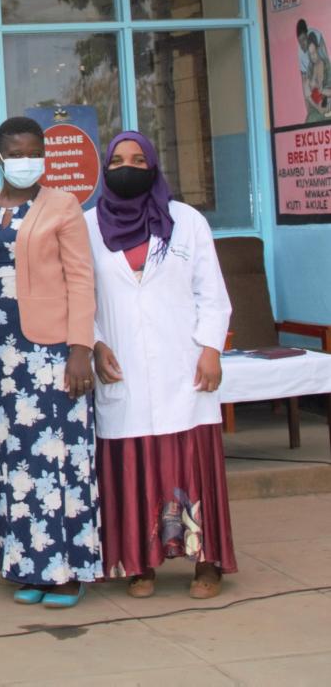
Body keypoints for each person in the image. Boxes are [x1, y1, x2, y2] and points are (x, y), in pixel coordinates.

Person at [0, 117, 102, 608]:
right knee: (12, 463)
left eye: (33, 152)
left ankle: (66, 571)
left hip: (54, 355)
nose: (26, 161)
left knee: (58, 459)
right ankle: (27, 566)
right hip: (2, 357)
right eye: (16, 154)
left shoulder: (63, 206)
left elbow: (82, 280)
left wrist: (81, 348)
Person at [87, 131, 237, 600]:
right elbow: (79, 297)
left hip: (183, 366)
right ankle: (139, 563)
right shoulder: (88, 225)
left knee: (190, 460)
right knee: (131, 466)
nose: (126, 167)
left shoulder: (185, 221)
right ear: (104, 170)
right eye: (117, 160)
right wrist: (92, 343)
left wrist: (210, 348)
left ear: (153, 166)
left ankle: (206, 563)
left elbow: (210, 293)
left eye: (137, 159)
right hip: (120, 365)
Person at [298, 19, 330, 122]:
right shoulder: (308, 67)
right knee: (310, 120)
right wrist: (315, 108)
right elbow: (307, 92)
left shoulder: (327, 66)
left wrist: (321, 90)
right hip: (318, 108)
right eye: (310, 54)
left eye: (314, 53)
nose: (313, 57)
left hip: (328, 105)